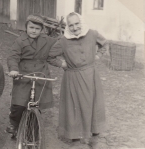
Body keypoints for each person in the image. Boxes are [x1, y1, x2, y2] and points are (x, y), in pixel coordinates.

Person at [48, 12, 108, 144]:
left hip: (90, 75)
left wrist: (98, 56)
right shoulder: (63, 41)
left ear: (81, 22)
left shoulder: (92, 34)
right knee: (74, 106)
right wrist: (62, 63)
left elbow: (104, 44)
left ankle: (94, 135)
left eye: (77, 24)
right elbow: (50, 56)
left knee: (93, 104)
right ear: (67, 27)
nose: (74, 28)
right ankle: (74, 136)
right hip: (73, 77)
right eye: (71, 25)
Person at [6, 14, 64, 134]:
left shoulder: (47, 40)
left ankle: (33, 128)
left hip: (40, 73)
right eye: (31, 27)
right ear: (26, 27)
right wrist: (13, 69)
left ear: (41, 30)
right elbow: (13, 56)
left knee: (37, 103)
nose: (34, 31)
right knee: (19, 102)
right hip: (23, 73)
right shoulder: (20, 41)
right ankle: (14, 124)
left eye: (37, 29)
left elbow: (60, 43)